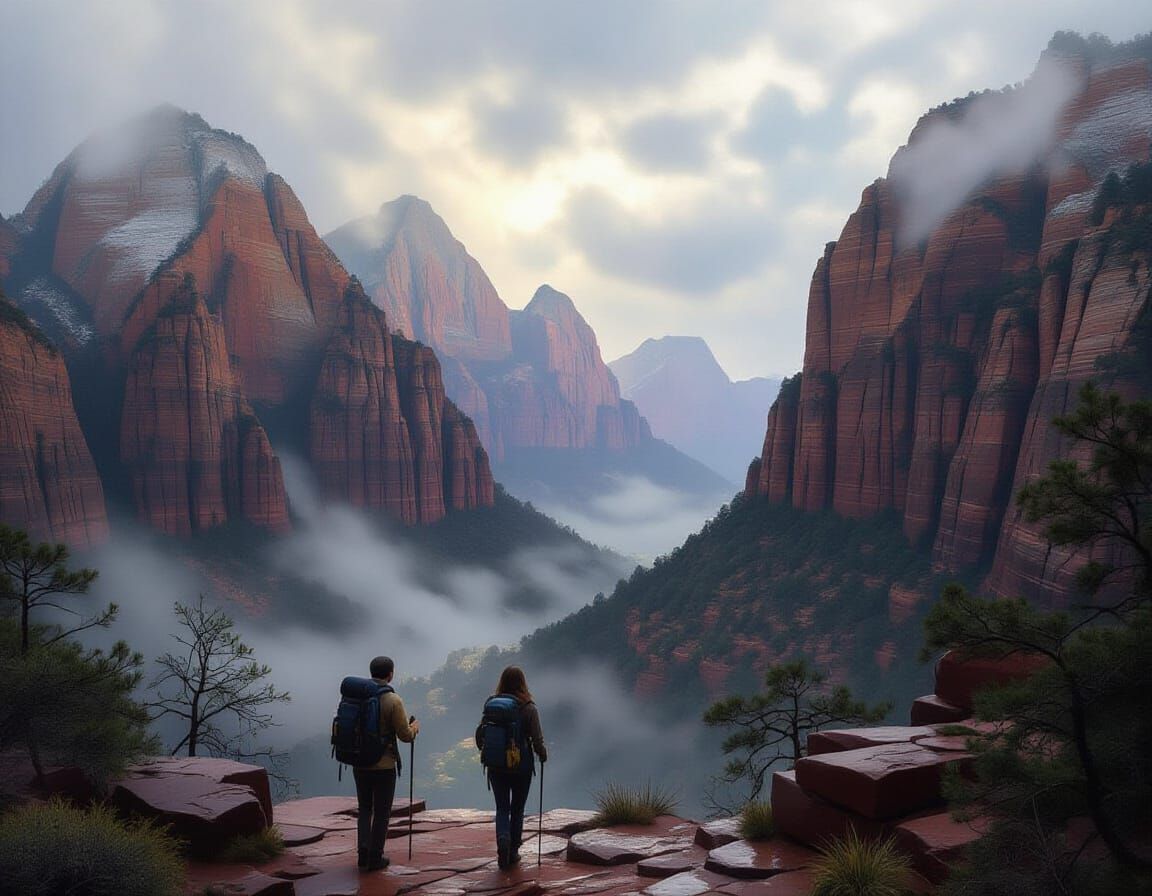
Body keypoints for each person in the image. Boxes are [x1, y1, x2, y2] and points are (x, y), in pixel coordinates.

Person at [477, 665, 547, 869]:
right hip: (521, 766)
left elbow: (481, 733)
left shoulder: (491, 703)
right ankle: (513, 851)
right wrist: (542, 755)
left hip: (496, 765)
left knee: (502, 808)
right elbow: (537, 739)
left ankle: (502, 842)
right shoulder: (529, 707)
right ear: (522, 682)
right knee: (517, 809)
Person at [354, 655, 419, 872]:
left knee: (364, 808)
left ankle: (362, 852)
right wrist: (415, 728)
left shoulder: (357, 696)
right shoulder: (393, 700)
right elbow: (405, 736)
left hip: (359, 762)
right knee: (382, 812)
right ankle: (375, 857)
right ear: (390, 674)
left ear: (372, 672)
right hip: (384, 765)